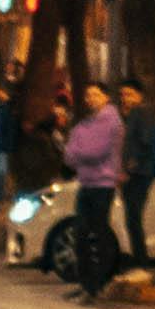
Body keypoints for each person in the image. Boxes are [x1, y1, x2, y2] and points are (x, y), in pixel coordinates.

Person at [52, 88, 134, 292]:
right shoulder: (84, 124)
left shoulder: (112, 122)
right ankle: (87, 282)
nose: (91, 99)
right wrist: (80, 151)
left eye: (96, 95)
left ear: (106, 97)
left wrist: (79, 151)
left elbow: (97, 151)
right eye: (88, 95)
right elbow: (69, 156)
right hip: (86, 183)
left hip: (103, 185)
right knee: (81, 234)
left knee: (99, 233)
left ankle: (100, 281)